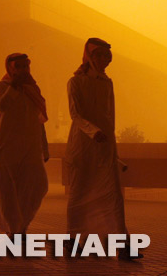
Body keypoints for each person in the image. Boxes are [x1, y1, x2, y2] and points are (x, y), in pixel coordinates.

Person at [65, 38, 142, 260]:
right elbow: (75, 114)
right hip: (82, 146)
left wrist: (111, 147)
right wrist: (93, 131)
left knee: (113, 195)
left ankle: (123, 245)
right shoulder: (75, 82)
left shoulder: (107, 83)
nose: (103, 60)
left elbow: (110, 117)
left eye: (106, 56)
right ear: (89, 57)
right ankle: (73, 239)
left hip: (105, 147)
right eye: (99, 55)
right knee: (80, 194)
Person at [0, 53, 49, 236]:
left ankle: (21, 224)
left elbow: (39, 119)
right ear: (10, 69)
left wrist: (44, 146)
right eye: (18, 67)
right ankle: (12, 230)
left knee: (39, 186)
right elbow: (2, 106)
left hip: (31, 147)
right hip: (6, 146)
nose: (23, 70)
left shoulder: (33, 89)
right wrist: (14, 86)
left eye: (26, 66)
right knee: (7, 192)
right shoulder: (0, 87)